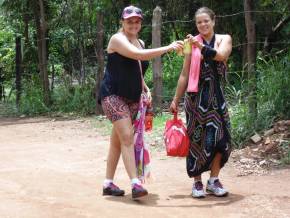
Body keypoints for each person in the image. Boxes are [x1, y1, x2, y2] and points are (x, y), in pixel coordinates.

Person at [99, 5, 183, 199]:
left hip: (133, 96)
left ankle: (108, 183)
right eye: (129, 21)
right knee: (127, 136)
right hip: (113, 95)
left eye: (137, 21)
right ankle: (135, 183)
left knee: (118, 142)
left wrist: (144, 86)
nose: (133, 24)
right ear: (122, 22)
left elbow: (135, 67)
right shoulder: (117, 39)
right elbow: (137, 56)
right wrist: (168, 47)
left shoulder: (141, 42)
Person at [170, 7, 232, 198]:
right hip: (195, 98)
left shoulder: (224, 38)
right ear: (196, 25)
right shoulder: (191, 43)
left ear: (214, 21)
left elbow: (221, 55)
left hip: (217, 96)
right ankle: (197, 183)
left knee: (222, 139)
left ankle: (213, 180)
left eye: (206, 21)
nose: (203, 24)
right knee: (196, 139)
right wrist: (175, 99)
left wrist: (199, 46)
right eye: (199, 22)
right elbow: (184, 73)